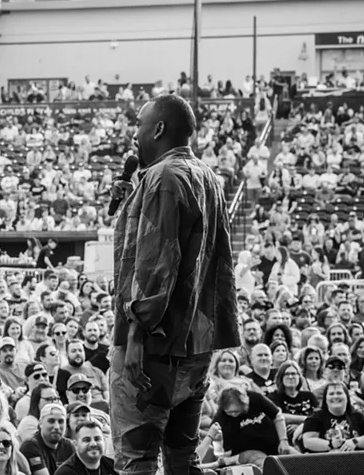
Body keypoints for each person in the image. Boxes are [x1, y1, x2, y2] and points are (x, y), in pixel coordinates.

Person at [109, 95, 239, 474]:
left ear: (159, 128)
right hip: (195, 345)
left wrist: (136, 335)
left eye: (139, 124)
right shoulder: (208, 177)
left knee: (137, 459)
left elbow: (157, 262)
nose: (134, 134)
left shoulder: (163, 179)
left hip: (154, 346)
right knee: (183, 456)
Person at [301, 381, 364, 452]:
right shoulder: (315, 417)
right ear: (325, 399)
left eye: (339, 393)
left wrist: (354, 441)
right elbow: (307, 441)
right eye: (331, 394)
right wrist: (331, 444)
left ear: (347, 397)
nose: (335, 396)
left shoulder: (358, 416)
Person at [19, 403, 76, 475]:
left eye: (61, 421)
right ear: (40, 423)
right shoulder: (30, 445)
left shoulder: (68, 446)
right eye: (51, 421)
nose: (57, 427)